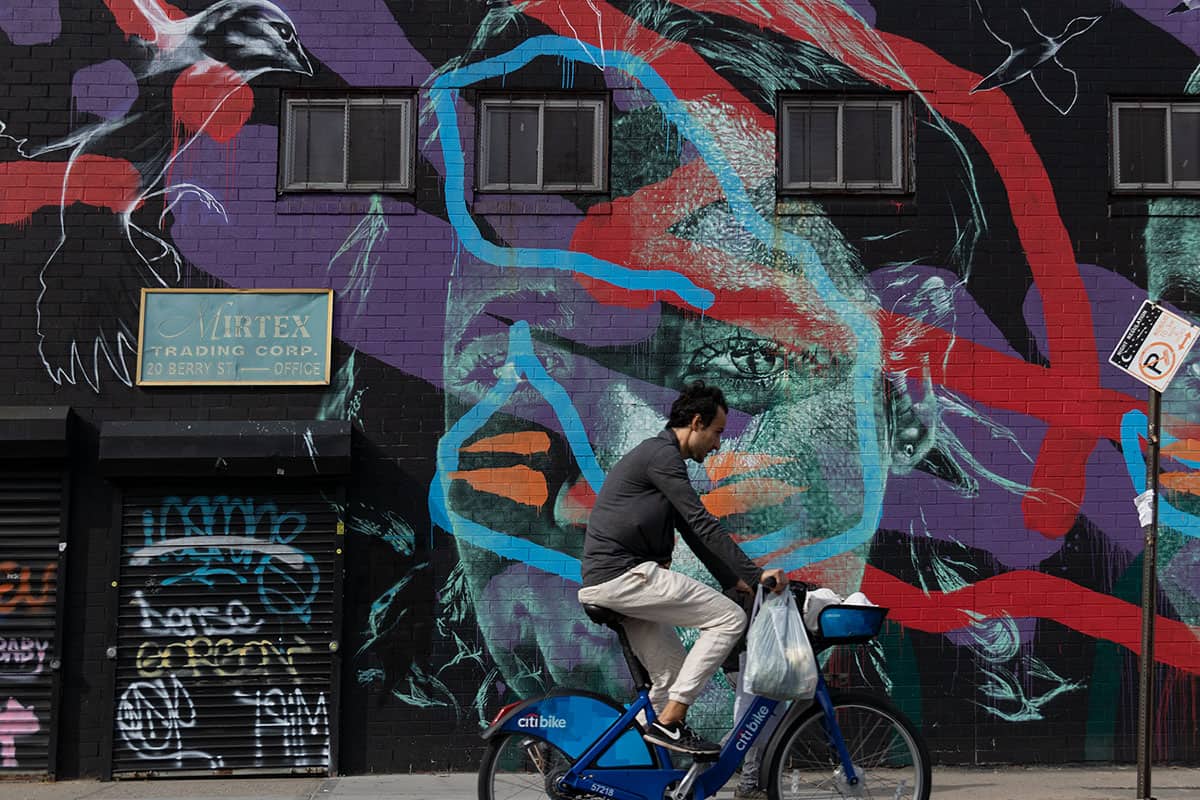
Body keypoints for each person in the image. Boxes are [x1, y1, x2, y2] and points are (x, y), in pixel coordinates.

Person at [576, 380, 788, 755]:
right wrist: (756, 576)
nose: (719, 444)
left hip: (619, 580)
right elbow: (703, 522)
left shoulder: (660, 460)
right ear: (696, 422)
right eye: (717, 432)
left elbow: (691, 532)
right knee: (727, 620)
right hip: (623, 576)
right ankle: (671, 721)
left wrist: (735, 582)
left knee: (670, 676)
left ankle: (617, 764)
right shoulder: (662, 457)